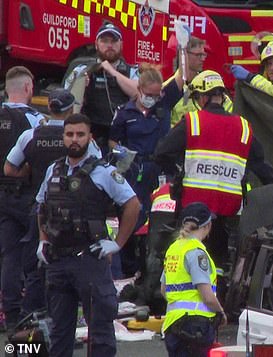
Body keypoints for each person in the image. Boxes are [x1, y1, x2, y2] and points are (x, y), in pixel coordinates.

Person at [35, 113, 141, 357]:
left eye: (80, 135)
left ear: (89, 137)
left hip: (90, 261)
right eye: (70, 134)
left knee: (100, 334)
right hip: (58, 261)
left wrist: (117, 243)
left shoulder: (104, 172)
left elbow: (133, 204)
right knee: (59, 333)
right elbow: (41, 206)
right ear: (63, 136)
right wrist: (42, 240)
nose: (75, 139)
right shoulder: (54, 169)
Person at [154, 70, 273, 270]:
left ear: (202, 97)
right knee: (219, 265)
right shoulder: (243, 127)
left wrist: (179, 171)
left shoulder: (193, 122)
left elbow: (161, 153)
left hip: (193, 208)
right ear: (222, 96)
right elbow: (262, 166)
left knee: (186, 261)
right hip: (230, 211)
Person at [3, 89, 99, 322]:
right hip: (75, 212)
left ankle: (26, 316)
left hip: (38, 206)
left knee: (34, 262)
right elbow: (98, 170)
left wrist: (31, 173)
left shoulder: (31, 135)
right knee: (72, 262)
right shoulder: (85, 140)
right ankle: (65, 315)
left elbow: (9, 168)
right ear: (70, 110)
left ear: (48, 107)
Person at [108, 63, 183, 277]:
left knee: (160, 219)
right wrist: (124, 154)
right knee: (133, 219)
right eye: (149, 94)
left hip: (160, 169)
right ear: (139, 90)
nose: (153, 98)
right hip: (134, 169)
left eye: (157, 94)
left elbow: (182, 76)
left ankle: (154, 269)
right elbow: (113, 141)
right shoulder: (124, 113)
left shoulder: (163, 106)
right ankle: (129, 268)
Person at [0, 66, 46, 330]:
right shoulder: (34, 121)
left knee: (8, 256)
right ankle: (23, 316)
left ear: (7, 89)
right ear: (29, 89)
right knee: (27, 257)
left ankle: (9, 312)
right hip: (23, 195)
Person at [161, 202, 227, 357]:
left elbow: (164, 290)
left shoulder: (174, 250)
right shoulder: (196, 253)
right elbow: (207, 296)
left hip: (172, 325)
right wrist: (221, 312)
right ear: (208, 226)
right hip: (195, 328)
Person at [65, 22, 139, 154]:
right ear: (96, 44)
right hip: (92, 135)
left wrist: (112, 71)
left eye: (114, 41)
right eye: (104, 41)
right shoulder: (82, 69)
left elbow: (138, 94)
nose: (109, 45)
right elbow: (69, 104)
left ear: (121, 44)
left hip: (122, 137)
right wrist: (82, 86)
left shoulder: (132, 71)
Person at [165, 36, 234, 126]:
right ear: (184, 55)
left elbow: (228, 115)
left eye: (203, 55)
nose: (203, 59)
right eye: (198, 55)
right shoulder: (169, 88)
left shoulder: (211, 85)